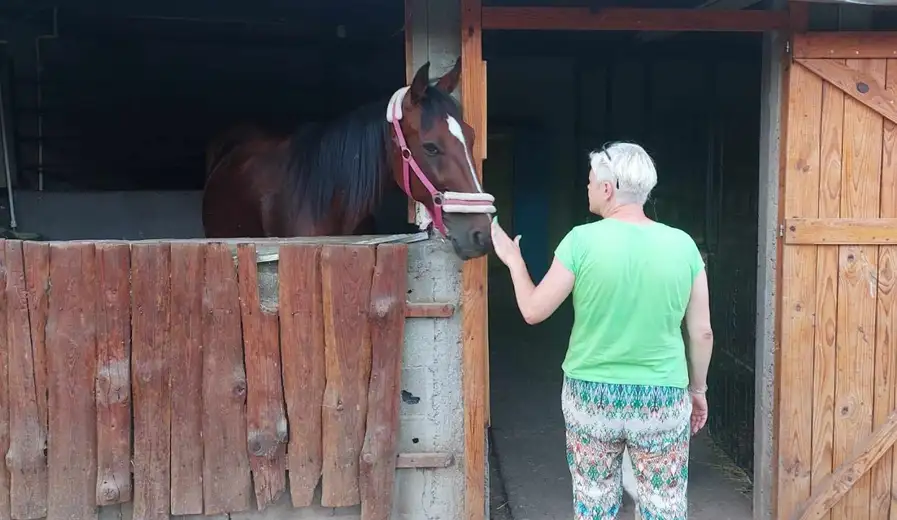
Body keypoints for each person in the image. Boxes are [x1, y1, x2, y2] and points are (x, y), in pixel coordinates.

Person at [489, 141, 713, 520]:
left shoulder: (581, 241)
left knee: (594, 504)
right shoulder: (684, 246)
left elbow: (532, 310)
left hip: (591, 398)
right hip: (662, 396)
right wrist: (698, 390)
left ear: (608, 189)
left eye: (591, 181)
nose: (588, 187)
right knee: (664, 506)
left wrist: (513, 261)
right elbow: (702, 332)